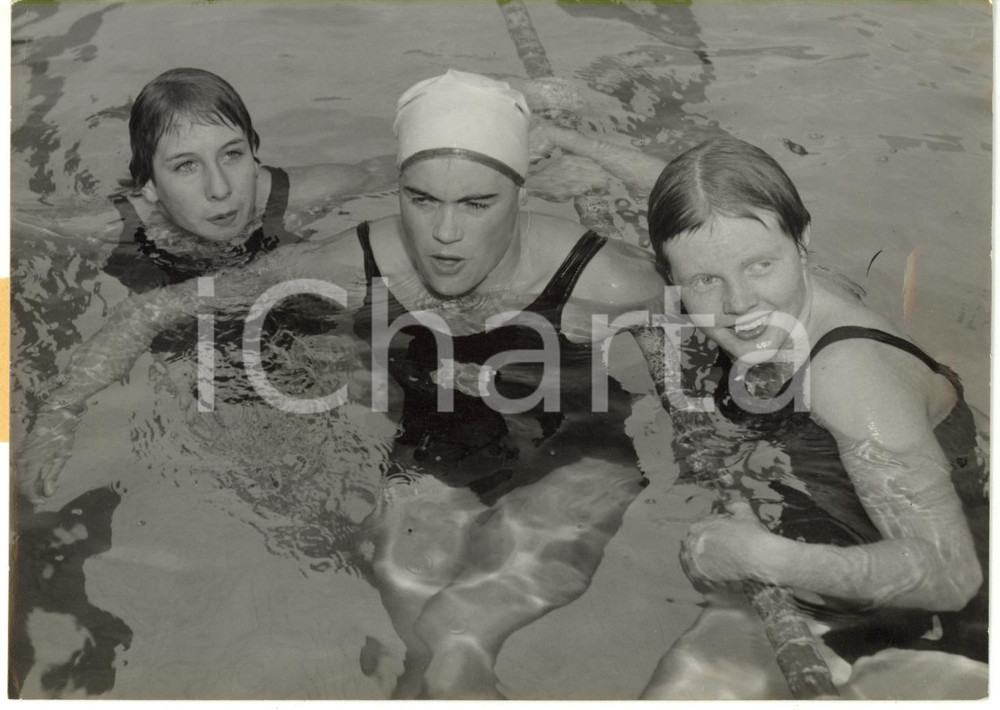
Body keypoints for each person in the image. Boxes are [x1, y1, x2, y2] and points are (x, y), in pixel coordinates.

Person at [16, 70, 665, 699]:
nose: (446, 233)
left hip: (577, 450)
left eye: (477, 201)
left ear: (521, 193)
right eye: (426, 201)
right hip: (437, 443)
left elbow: (709, 341)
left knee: (449, 632)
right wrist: (62, 411)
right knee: (418, 625)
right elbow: (154, 307)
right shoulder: (353, 259)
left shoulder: (608, 281)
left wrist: (578, 141)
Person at [566, 135, 985, 698]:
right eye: (704, 281)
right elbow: (707, 206)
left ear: (802, 241)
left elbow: (951, 575)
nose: (740, 303)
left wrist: (765, 557)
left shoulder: (847, 375)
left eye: (760, 265)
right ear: (672, 274)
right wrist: (576, 146)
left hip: (940, 617)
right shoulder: (786, 277)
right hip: (841, 528)